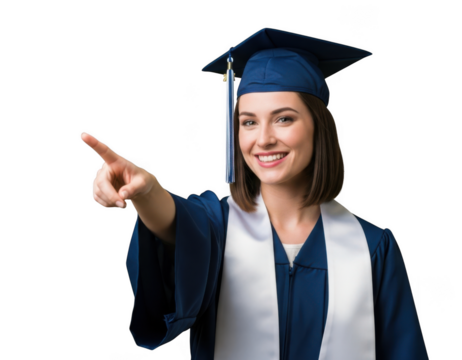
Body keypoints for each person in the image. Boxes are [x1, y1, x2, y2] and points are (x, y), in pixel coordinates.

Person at [81, 28, 429, 360]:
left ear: (318, 128)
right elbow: (181, 227)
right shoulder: (219, 225)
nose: (262, 139)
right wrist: (147, 192)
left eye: (284, 119)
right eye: (248, 121)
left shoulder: (372, 248)